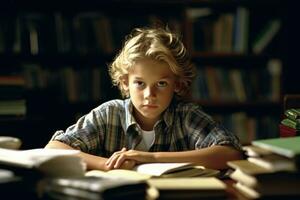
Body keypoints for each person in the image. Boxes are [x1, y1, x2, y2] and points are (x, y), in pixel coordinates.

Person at [45, 27, 242, 171]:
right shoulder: (109, 114)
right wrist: (109, 165)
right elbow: (54, 148)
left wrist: (151, 158)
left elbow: (231, 153)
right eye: (140, 83)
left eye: (161, 84)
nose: (150, 94)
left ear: (177, 84)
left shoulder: (186, 116)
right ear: (124, 83)